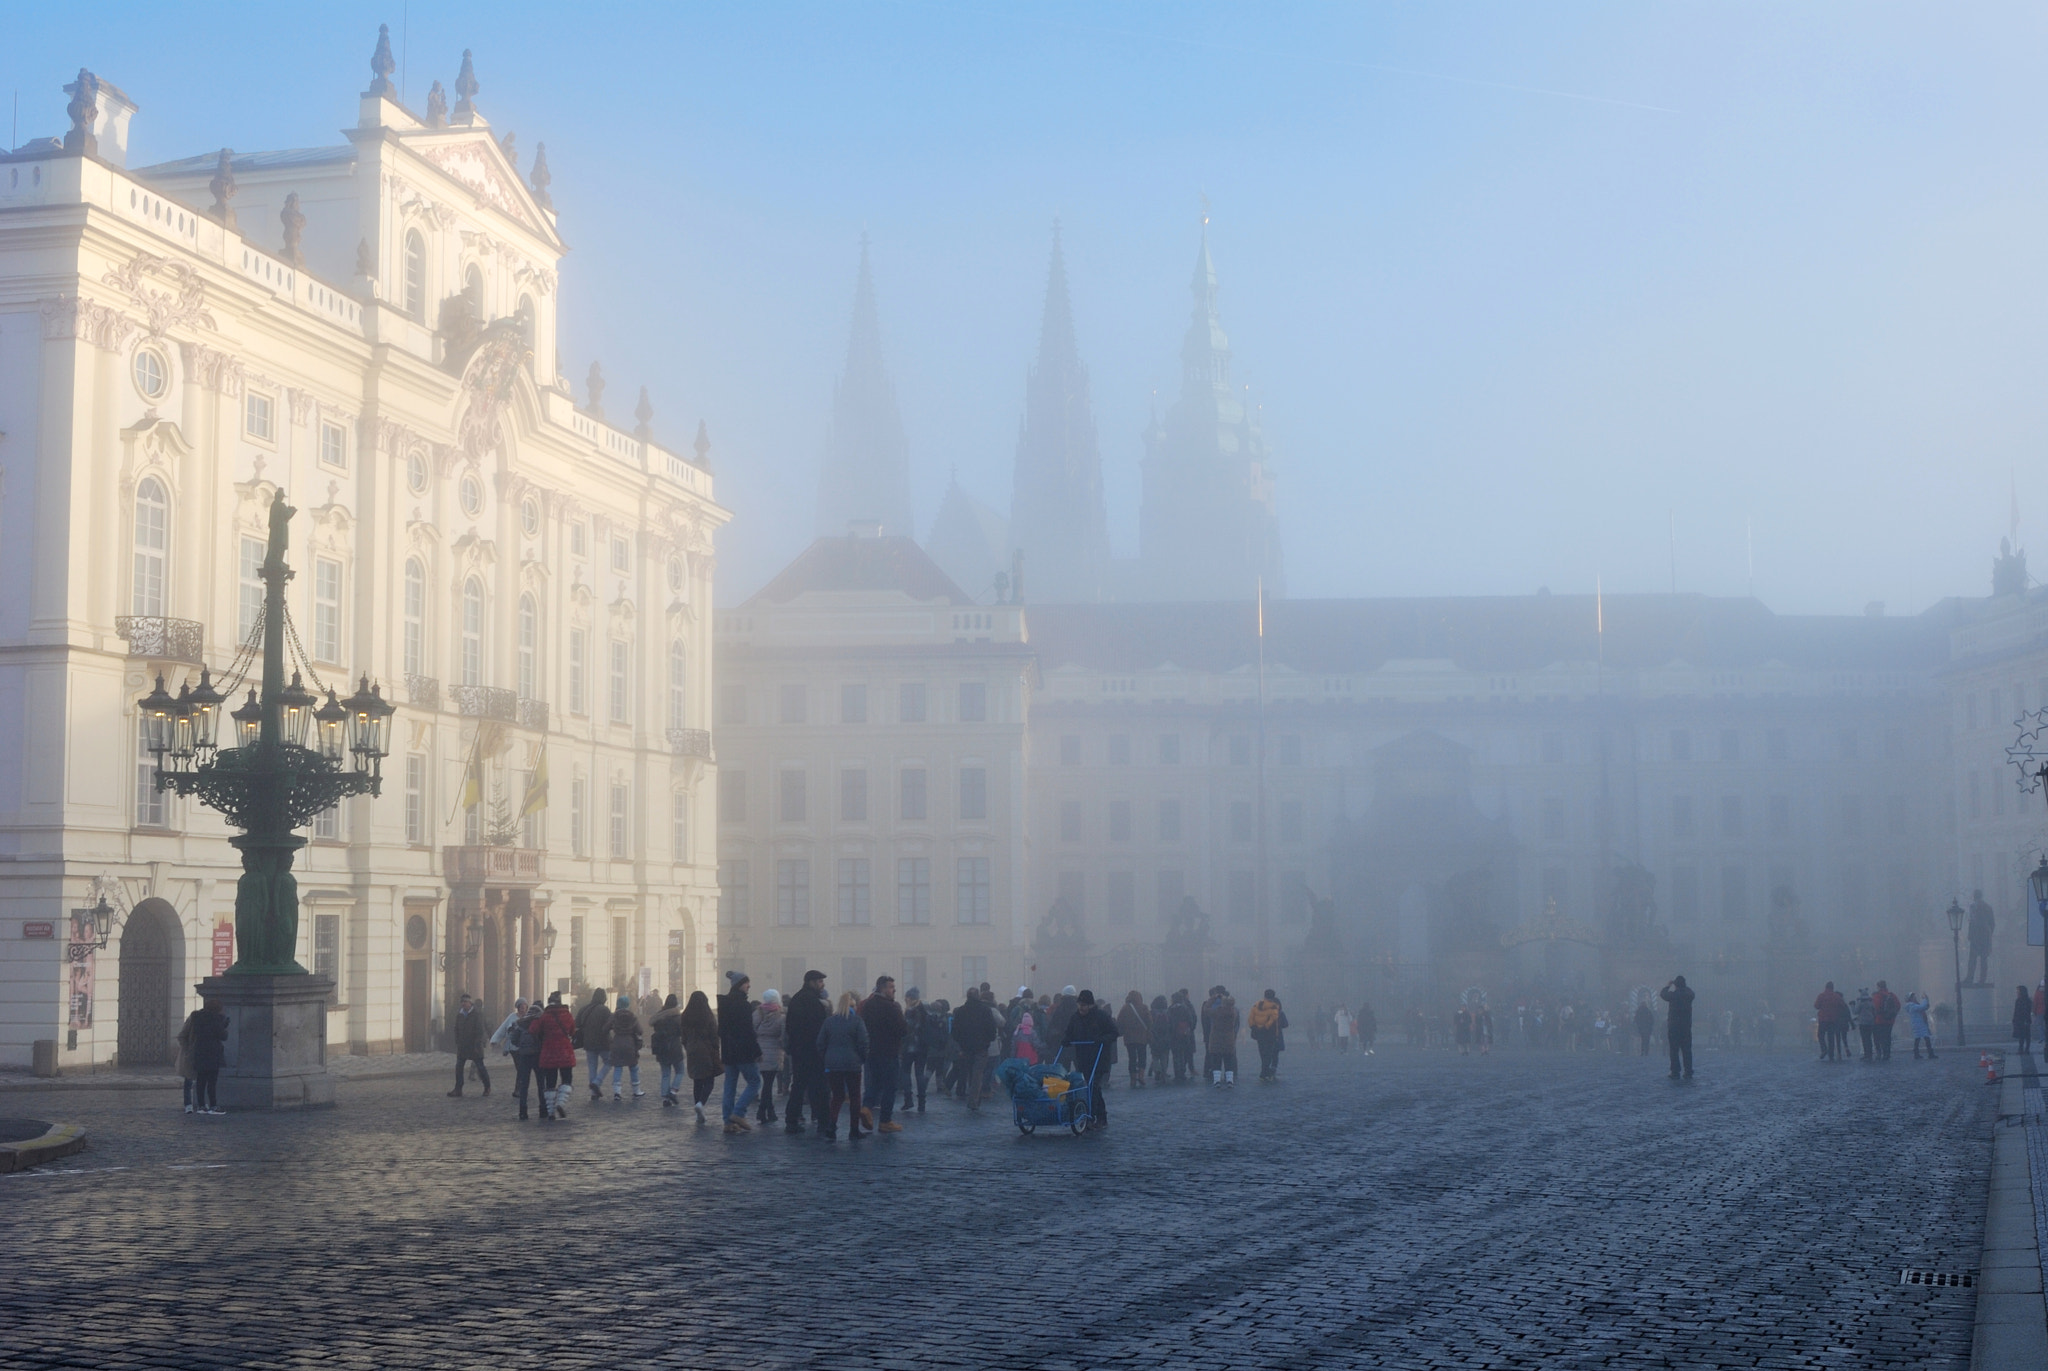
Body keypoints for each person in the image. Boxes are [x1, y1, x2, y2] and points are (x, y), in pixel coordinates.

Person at [1060, 990, 1121, 1128]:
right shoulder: (1075, 1018)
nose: (1081, 1007)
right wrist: (1066, 1040)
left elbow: (1114, 1032)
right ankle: (1100, 1115)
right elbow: (1069, 1033)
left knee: (1093, 1087)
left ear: (1091, 1005)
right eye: (1080, 1004)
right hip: (1082, 1058)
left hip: (1099, 1057)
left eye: (1084, 1005)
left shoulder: (1101, 1016)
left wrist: (1101, 1040)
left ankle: (1093, 1116)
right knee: (1090, 1087)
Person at [783, 969, 830, 1135]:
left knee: (798, 1086)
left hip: (798, 1050)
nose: (822, 985)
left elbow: (789, 1026)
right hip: (813, 1051)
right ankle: (823, 1122)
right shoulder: (813, 1002)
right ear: (811, 982)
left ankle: (791, 1120)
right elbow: (820, 1028)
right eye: (819, 982)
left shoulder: (796, 999)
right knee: (819, 1087)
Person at [818, 990, 871, 1140]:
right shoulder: (857, 1021)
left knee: (837, 1096)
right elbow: (863, 1042)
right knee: (855, 1097)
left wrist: (827, 1058)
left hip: (833, 1064)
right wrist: (862, 1058)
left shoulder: (829, 1022)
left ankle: (831, 1125)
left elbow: (820, 1043)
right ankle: (854, 1130)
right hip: (852, 1064)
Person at [857, 975, 907, 1133]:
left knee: (875, 1084)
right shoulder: (891, 1007)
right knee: (890, 1086)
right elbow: (902, 1029)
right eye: (891, 987)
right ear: (882, 988)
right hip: (889, 1051)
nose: (894, 990)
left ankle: (866, 1107)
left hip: (872, 1051)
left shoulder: (868, 1005)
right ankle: (885, 1121)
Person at [717, 971, 761, 1133]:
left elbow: (721, 1030)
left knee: (730, 1086)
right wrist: (756, 1050)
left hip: (729, 1051)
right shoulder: (743, 1004)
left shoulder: (724, 1004)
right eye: (746, 983)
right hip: (743, 1051)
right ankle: (738, 1113)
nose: (748, 986)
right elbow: (748, 1031)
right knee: (755, 1082)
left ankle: (727, 1121)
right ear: (739, 985)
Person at [533, 990, 578, 1120]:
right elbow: (572, 1031)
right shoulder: (567, 1015)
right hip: (565, 1050)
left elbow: (534, 1030)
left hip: (548, 1051)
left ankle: (551, 1112)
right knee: (566, 1079)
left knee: (550, 1082)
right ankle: (561, 1103)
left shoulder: (544, 1016)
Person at [679, 990, 722, 1124]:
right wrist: (716, 1048)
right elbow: (714, 1035)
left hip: (692, 1049)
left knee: (697, 1081)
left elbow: (683, 1036)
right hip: (706, 1049)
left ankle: (698, 1108)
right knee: (709, 1080)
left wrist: (688, 1046)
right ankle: (701, 1104)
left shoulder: (685, 1016)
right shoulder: (708, 1016)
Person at [952, 988, 999, 1108]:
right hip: (981, 1047)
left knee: (970, 1073)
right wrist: (988, 1040)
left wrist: (961, 1042)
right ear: (978, 996)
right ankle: (974, 1099)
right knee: (977, 1074)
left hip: (966, 1047)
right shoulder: (985, 1010)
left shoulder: (961, 1011)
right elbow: (991, 1029)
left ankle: (974, 1097)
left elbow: (955, 1031)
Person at [185, 997, 228, 1115]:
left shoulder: (197, 1018)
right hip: (213, 1053)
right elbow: (223, 1036)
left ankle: (201, 1106)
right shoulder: (216, 1019)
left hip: (200, 1051)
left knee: (201, 1081)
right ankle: (213, 1106)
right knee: (212, 1082)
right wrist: (224, 1026)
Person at [753, 989, 786, 1125]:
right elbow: (783, 1036)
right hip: (774, 1051)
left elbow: (752, 1030)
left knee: (766, 1082)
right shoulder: (781, 1016)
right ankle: (762, 1111)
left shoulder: (757, 1013)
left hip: (759, 1051)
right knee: (768, 1083)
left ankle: (769, 1111)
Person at [449, 993, 491, 1097]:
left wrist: (478, 1044)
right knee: (459, 1067)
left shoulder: (477, 1014)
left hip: (474, 1046)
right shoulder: (460, 1014)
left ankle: (487, 1087)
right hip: (463, 1045)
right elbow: (456, 1028)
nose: (463, 1004)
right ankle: (458, 1089)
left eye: (465, 1002)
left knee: (480, 1067)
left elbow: (480, 1030)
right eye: (462, 1002)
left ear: (470, 1003)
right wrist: (457, 1041)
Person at [508, 1000, 543, 1121]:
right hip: (538, 1056)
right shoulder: (540, 1023)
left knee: (524, 1085)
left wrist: (521, 1046)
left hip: (524, 1056)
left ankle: (523, 1111)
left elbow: (513, 1039)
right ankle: (542, 1109)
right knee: (541, 1084)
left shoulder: (520, 1023)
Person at [575, 989, 612, 1103]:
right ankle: (597, 1082)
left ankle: (593, 1093)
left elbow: (577, 1024)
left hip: (588, 1041)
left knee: (592, 1066)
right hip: (603, 1041)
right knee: (610, 1061)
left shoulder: (584, 1009)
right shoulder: (605, 1010)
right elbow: (610, 1024)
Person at [650, 993, 686, 1107]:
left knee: (665, 1074)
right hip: (674, 1047)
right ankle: (673, 1091)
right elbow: (682, 1032)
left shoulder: (658, 1017)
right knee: (680, 1071)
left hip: (661, 1048)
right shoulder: (677, 1017)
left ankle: (665, 1098)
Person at [606, 994, 644, 1100]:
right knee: (633, 1067)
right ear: (628, 1004)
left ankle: (617, 1092)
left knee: (618, 1067)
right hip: (629, 1044)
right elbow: (640, 1030)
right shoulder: (632, 1016)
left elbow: (605, 1028)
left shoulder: (614, 1016)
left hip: (617, 1043)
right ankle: (636, 1090)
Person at [900, 988, 932, 1114]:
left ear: (910, 998)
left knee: (906, 1072)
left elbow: (905, 1029)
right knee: (920, 1074)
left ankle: (908, 1099)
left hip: (909, 1047)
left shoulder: (910, 1011)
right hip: (922, 1048)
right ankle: (921, 1103)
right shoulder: (925, 1010)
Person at [1201, 985, 1240, 1087]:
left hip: (1216, 1038)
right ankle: (1230, 1081)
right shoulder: (1233, 1012)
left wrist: (1214, 997)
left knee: (1216, 1061)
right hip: (1229, 1039)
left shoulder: (1216, 1012)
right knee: (1229, 1061)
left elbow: (1206, 1008)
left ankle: (1216, 1081)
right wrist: (1225, 998)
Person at [1659, 975, 1695, 1080]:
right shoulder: (1689, 995)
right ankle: (1688, 1071)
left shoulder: (1673, 995)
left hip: (1674, 1027)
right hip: (1686, 1026)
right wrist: (1683, 986)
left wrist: (1668, 985)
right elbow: (1692, 992)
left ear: (1676, 985)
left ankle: (1675, 1071)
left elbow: (1663, 994)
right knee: (1687, 1050)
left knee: (1674, 1050)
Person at [1116, 991, 1154, 1088]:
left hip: (1129, 1038)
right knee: (1142, 1056)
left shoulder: (1125, 1008)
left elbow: (1119, 1021)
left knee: (1132, 1058)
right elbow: (1149, 1022)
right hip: (1142, 1037)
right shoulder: (1144, 1007)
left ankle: (1132, 1079)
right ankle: (1141, 1076)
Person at [1249, 989, 1287, 1081]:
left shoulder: (1257, 1006)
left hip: (1260, 1034)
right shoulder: (1276, 1009)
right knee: (1270, 1054)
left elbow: (1252, 1019)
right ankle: (1266, 1072)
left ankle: (1264, 1071)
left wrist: (1255, 1028)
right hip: (1271, 1035)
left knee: (1263, 1054)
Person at [1813, 982, 1849, 1063]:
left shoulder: (1821, 996)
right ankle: (1831, 1055)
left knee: (1820, 1035)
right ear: (1833, 987)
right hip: (1833, 1019)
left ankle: (1824, 1049)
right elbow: (1843, 1005)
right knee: (1831, 1037)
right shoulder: (1836, 996)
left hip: (1823, 1019)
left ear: (1825, 987)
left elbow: (1816, 1006)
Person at [1168, 989, 1199, 1082]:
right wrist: (1189, 1030)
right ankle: (1182, 1072)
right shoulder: (1185, 1008)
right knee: (1183, 1054)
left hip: (1173, 1035)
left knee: (1176, 1055)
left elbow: (1168, 1022)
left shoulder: (1170, 1009)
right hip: (1184, 1035)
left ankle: (1177, 1073)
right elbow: (1191, 1020)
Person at [488, 996, 529, 1063]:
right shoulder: (512, 1017)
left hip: (525, 1046)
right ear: (518, 1008)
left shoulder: (528, 1018)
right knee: (519, 1064)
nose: (523, 1009)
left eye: (524, 1007)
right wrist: (494, 1040)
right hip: (514, 1047)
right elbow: (502, 1029)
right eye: (521, 1007)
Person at [1967, 891, 1995, 984]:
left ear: (1974, 896)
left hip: (1975, 935)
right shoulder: (1988, 907)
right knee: (1984, 959)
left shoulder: (1972, 907)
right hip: (1985, 935)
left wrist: (1970, 935)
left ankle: (1970, 978)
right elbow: (1992, 923)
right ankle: (1982, 979)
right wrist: (1989, 934)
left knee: (1972, 958)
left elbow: (1971, 922)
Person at [1871, 981, 1901, 1062]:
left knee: (1878, 1038)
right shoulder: (1892, 995)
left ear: (1878, 987)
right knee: (1887, 1037)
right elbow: (1898, 1005)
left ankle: (1880, 1053)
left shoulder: (1876, 996)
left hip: (1879, 1020)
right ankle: (1887, 1053)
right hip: (1890, 1020)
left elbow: (1874, 1008)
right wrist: (1892, 1014)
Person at [1905, 991, 1935, 1060]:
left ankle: (1919, 1054)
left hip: (1919, 1023)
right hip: (1918, 1024)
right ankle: (1928, 1053)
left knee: (1919, 1038)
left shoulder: (1913, 1005)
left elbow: (1924, 1007)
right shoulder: (1911, 1006)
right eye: (1913, 997)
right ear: (1911, 998)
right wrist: (1925, 999)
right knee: (1923, 1038)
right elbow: (1922, 1007)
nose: (1915, 997)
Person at [1852, 988, 1877, 1062]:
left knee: (1864, 1039)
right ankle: (1870, 1054)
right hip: (1870, 1023)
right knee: (1869, 1039)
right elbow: (1875, 1012)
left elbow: (1855, 1012)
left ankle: (1866, 1054)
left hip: (1863, 1023)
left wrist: (1852, 1005)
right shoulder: (1871, 1003)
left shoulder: (1860, 1003)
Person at [2014, 985, 2035, 1052]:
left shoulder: (2027, 1001)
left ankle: (2026, 1048)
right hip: (2019, 1020)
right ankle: (2021, 1048)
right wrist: (2014, 1019)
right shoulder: (2018, 1000)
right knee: (2021, 1035)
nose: (2017, 992)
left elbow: (2027, 1011)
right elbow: (2016, 1011)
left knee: (2026, 1035)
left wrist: (2026, 1019)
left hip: (2025, 1020)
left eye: (2018, 991)